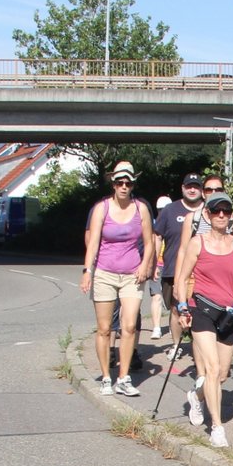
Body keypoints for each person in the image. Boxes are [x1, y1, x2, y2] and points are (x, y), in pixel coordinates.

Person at [172, 191, 233, 448]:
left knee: (222, 374)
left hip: (228, 312)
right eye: (216, 211)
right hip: (202, 309)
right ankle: (217, 427)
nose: (221, 215)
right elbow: (182, 278)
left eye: (226, 211)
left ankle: (196, 395)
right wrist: (183, 307)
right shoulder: (198, 242)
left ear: (231, 216)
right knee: (212, 368)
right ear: (207, 214)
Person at [80, 160, 154, 397]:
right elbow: (92, 243)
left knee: (130, 326)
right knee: (103, 329)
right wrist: (87, 272)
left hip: (132, 274)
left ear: (133, 185)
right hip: (104, 273)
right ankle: (105, 377)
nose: (124, 186)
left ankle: (124, 377)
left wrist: (145, 265)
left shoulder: (141, 208)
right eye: (120, 182)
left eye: (128, 183)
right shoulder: (102, 208)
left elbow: (150, 242)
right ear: (113, 184)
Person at [153, 174, 206, 347]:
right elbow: (157, 236)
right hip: (173, 268)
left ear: (201, 190)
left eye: (196, 187)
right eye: (189, 186)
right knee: (176, 309)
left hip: (203, 271)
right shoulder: (170, 210)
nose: (192, 190)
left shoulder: (210, 211)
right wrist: (154, 262)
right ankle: (176, 345)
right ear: (182, 188)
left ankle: (198, 349)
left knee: (201, 311)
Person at [148, 195, 172, 340]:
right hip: (157, 265)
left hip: (170, 265)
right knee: (156, 296)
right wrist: (152, 264)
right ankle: (156, 327)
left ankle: (172, 325)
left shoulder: (175, 223)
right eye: (160, 210)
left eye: (165, 210)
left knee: (171, 300)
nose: (163, 212)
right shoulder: (153, 226)